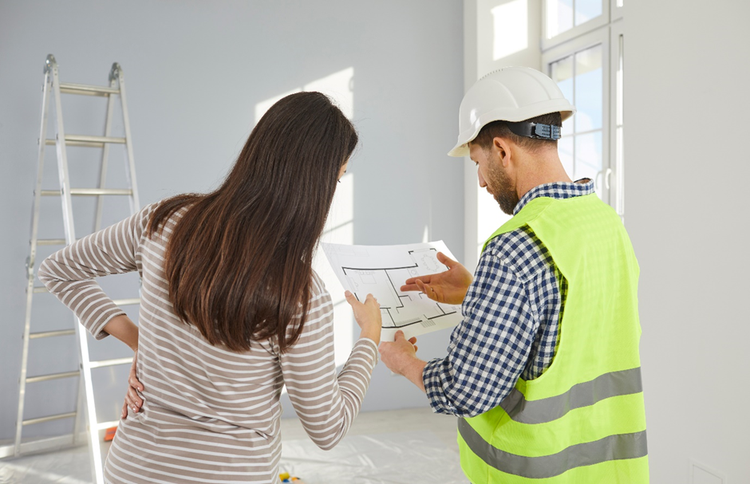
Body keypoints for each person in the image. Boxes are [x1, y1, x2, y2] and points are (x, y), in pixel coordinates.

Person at [38, 91, 382, 484]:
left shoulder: (165, 221)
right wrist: (369, 337)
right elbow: (327, 428)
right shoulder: (299, 292)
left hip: (133, 470)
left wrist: (139, 343)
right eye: (336, 179)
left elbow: (59, 269)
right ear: (314, 185)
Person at [378, 66, 649, 483]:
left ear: (502, 150)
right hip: (611, 471)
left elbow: (466, 389)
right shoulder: (606, 223)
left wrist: (404, 362)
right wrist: (477, 294)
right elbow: (571, 324)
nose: (482, 181)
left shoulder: (515, 245)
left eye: (478, 162)